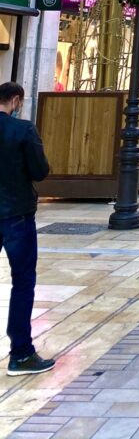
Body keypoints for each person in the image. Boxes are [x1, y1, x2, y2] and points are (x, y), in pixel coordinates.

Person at [0, 82, 54, 376]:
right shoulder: (23, 130)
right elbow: (39, 171)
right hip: (15, 214)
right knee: (22, 281)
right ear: (16, 100)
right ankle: (20, 354)